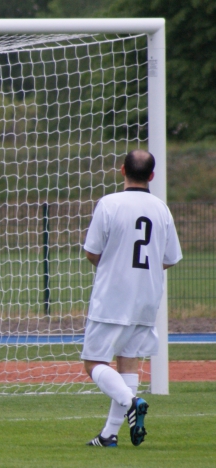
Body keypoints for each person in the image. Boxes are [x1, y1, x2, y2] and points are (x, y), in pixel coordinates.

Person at [82, 150, 182, 447]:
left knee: (93, 362)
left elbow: (92, 251)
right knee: (128, 362)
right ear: (152, 176)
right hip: (146, 298)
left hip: (113, 297)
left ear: (122, 169)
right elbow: (169, 258)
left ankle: (131, 400)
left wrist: (116, 265)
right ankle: (109, 435)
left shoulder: (109, 203)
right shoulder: (161, 209)